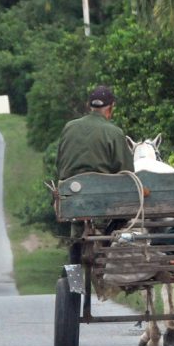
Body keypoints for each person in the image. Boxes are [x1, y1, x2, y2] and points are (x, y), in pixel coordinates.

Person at [56, 85, 134, 264]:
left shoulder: (69, 127)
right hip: (103, 202)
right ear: (111, 108)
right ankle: (108, 244)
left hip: (73, 198)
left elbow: (59, 164)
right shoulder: (114, 132)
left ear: (88, 105)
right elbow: (128, 173)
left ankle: (74, 274)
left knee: (76, 233)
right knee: (126, 214)